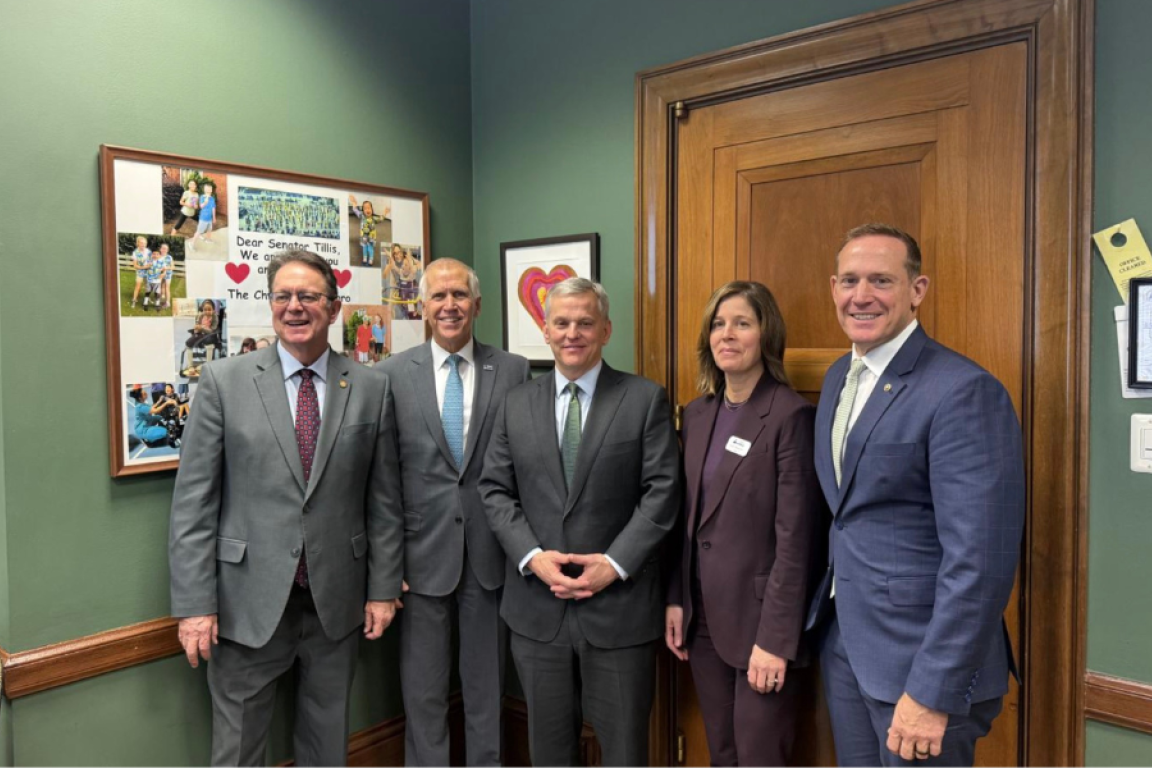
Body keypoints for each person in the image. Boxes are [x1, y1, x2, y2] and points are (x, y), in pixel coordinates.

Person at [169, 249, 404, 766]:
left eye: (309, 296)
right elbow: (193, 504)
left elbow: (384, 502)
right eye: (283, 296)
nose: (295, 307)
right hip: (244, 604)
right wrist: (193, 605)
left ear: (334, 307)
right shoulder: (223, 383)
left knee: (327, 745)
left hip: (336, 603)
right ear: (271, 304)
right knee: (237, 751)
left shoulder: (370, 387)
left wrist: (384, 589)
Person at [806, 223, 1024, 766]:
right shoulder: (838, 377)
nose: (862, 296)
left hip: (922, 669)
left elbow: (980, 561)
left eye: (881, 280)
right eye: (850, 280)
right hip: (849, 647)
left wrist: (932, 690)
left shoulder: (962, 391)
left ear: (917, 289)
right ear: (833, 287)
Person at [479, 277, 680, 766]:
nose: (573, 333)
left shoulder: (643, 399)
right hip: (535, 610)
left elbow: (663, 493)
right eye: (561, 323)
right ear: (545, 330)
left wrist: (614, 564)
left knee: (625, 752)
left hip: (619, 612)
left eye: (585, 323)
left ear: (606, 330)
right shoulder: (516, 403)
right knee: (549, 753)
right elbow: (495, 490)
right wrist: (532, 558)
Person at [377, 258, 530, 766]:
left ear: (477, 305)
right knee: (422, 694)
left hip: (491, 558)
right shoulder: (391, 375)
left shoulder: (513, 370)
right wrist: (387, 564)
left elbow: (524, 470)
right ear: (423, 307)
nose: (449, 305)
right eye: (439, 296)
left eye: (459, 296)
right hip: (418, 563)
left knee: (486, 689)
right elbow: (382, 481)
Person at [664, 281, 823, 766]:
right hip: (704, 620)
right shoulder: (697, 414)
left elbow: (798, 541)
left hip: (761, 627)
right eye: (718, 323)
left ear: (766, 334)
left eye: (742, 323)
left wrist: (776, 641)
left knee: (759, 757)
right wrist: (676, 597)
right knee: (723, 753)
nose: (726, 334)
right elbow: (684, 518)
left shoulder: (790, 416)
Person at [349, 195, 389, 267]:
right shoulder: (362, 216)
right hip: (363, 237)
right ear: (363, 210)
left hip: (371, 238)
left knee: (370, 248)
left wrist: (385, 213)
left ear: (372, 209)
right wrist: (354, 203)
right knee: (364, 247)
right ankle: (365, 257)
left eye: (369, 208)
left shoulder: (374, 219)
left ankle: (371, 258)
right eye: (365, 208)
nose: (367, 210)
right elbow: (355, 210)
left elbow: (381, 219)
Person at [188, 182, 217, 250]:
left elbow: (213, 208)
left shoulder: (212, 199)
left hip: (209, 219)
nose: (209, 190)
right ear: (205, 190)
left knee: (209, 230)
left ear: (211, 190)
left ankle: (208, 240)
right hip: (203, 218)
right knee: (199, 232)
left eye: (210, 189)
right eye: (207, 189)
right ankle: (191, 243)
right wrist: (205, 202)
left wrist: (214, 217)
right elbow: (201, 206)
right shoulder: (202, 197)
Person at [129, 236, 151, 309]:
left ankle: (147, 299)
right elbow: (135, 265)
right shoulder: (135, 252)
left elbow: (151, 262)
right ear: (138, 243)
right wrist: (143, 267)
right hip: (140, 271)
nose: (143, 245)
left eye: (144, 243)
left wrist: (149, 266)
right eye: (141, 243)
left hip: (148, 271)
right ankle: (134, 301)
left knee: (147, 286)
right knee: (138, 286)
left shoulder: (148, 251)